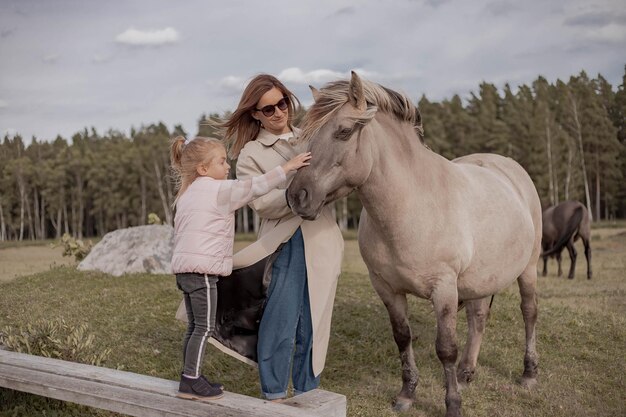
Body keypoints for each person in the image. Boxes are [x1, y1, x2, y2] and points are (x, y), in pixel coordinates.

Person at [221, 74, 344, 401]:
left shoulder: (313, 136)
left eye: (283, 103)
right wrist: (298, 188)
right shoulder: (250, 155)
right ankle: (274, 395)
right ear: (256, 115)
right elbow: (262, 205)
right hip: (283, 246)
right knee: (280, 322)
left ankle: (308, 393)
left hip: (322, 241)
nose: (279, 112)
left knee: (315, 323)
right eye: (269, 108)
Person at [169, 135, 311, 401]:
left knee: (194, 327)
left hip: (185, 272)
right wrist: (287, 168)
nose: (227, 167)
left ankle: (189, 375)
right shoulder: (218, 191)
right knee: (204, 328)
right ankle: (191, 381)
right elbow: (254, 186)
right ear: (203, 169)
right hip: (203, 273)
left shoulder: (186, 195)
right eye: (222, 162)